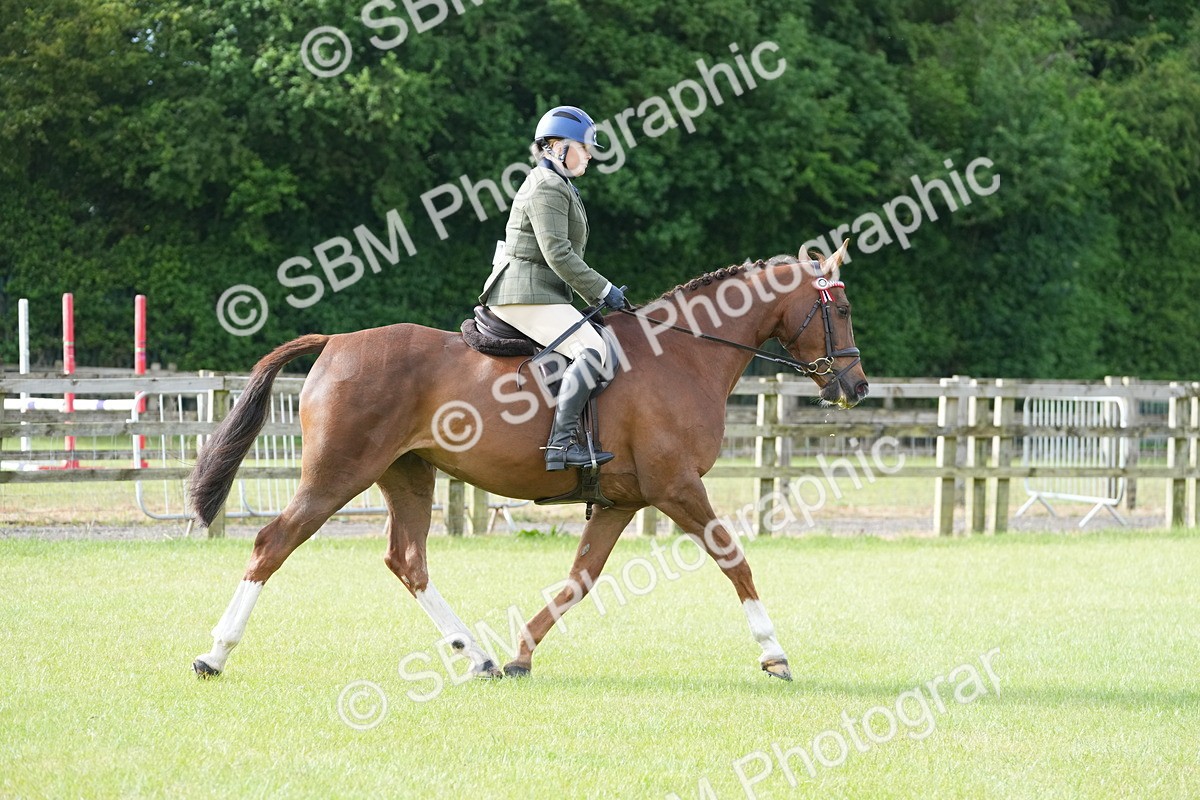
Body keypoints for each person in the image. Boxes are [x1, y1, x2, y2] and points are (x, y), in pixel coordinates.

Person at [479, 105, 627, 471]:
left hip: (539, 291)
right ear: (555, 146)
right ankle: (561, 446)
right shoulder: (546, 186)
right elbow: (558, 253)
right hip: (522, 292)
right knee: (591, 348)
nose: (590, 155)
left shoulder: (560, 185)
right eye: (584, 147)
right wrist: (603, 290)